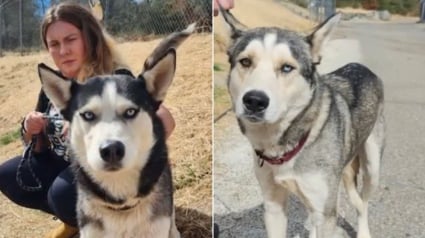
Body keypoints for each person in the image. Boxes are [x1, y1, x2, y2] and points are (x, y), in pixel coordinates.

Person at [0, 3, 175, 238]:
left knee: (61, 193)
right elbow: (35, 142)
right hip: (65, 164)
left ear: (88, 38)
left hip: (104, 170)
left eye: (70, 39)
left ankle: (108, 216)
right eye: (54, 44)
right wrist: (29, 127)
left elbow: (165, 120)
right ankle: (72, 218)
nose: (63, 50)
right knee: (8, 175)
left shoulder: (114, 79)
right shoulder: (56, 84)